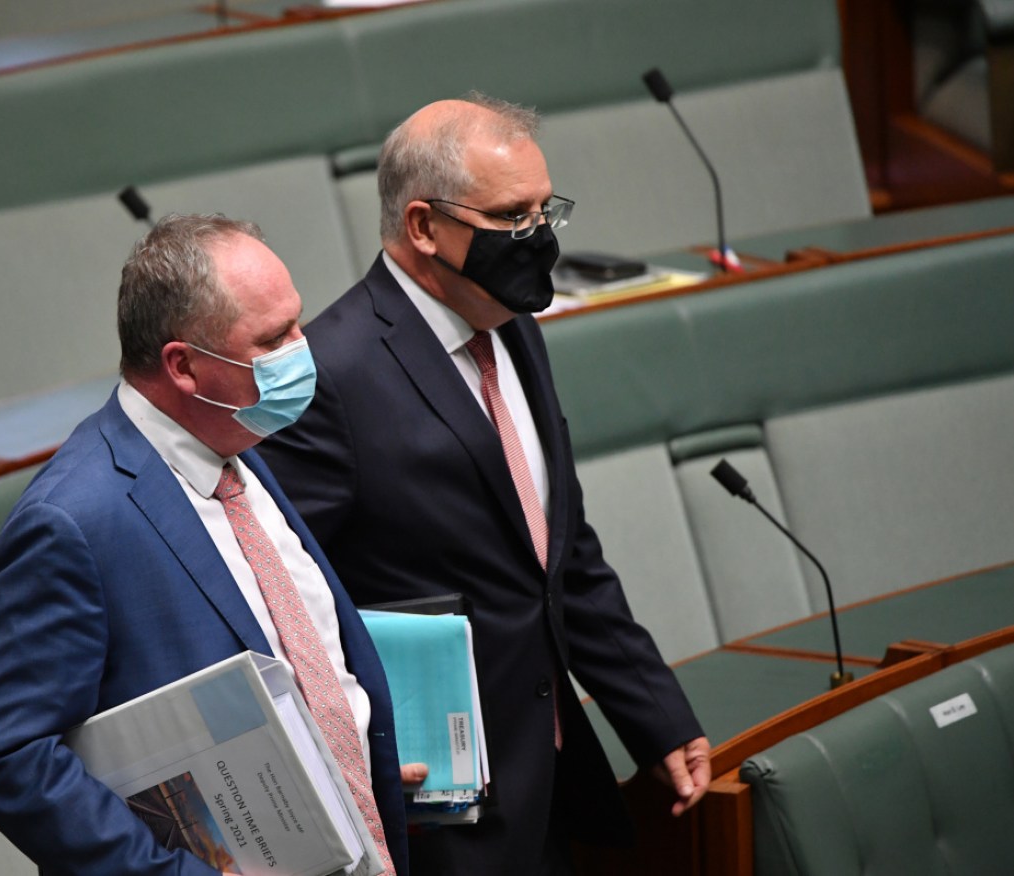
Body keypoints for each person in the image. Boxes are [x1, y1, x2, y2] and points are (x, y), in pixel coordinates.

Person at [257, 94, 710, 874]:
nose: (538, 240)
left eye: (545, 210)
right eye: (511, 217)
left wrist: (655, 715)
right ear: (424, 227)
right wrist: (350, 765)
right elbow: (284, 607)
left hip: (553, 779)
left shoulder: (512, 326)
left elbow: (556, 554)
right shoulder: (332, 376)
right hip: (439, 815)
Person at [0, 214, 413, 875]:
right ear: (184, 367)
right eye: (272, 339)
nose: (302, 350)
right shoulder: (73, 522)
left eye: (296, 323)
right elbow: (6, 757)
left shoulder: (239, 445)